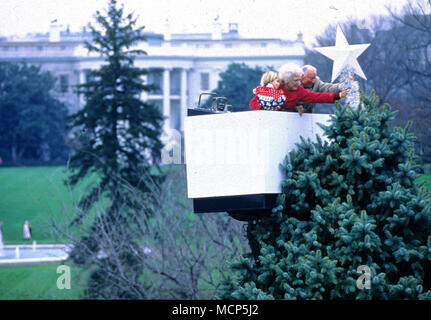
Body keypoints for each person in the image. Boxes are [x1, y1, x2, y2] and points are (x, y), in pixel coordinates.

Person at [250, 63, 348, 116]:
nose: (298, 83)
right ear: (287, 81)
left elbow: (316, 97)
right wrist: (266, 109)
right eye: (295, 81)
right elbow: (253, 103)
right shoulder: (276, 87)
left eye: (299, 80)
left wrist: (338, 95)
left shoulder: (299, 90)